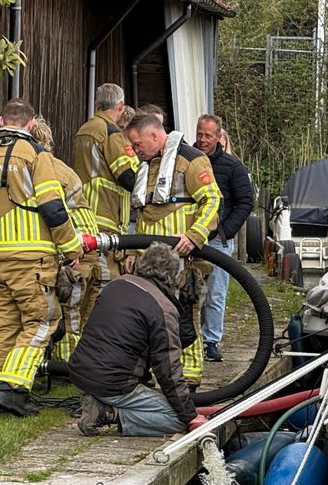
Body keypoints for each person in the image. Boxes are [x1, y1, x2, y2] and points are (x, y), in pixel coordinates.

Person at [0, 99, 82, 416]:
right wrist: (72, 248)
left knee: (5, 327)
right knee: (42, 323)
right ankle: (14, 390)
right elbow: (53, 208)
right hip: (34, 260)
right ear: (30, 124)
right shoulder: (36, 155)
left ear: (2, 119)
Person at [124, 113, 220, 388]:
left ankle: (188, 381)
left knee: (184, 320)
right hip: (149, 263)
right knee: (149, 319)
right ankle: (150, 375)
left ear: (155, 136)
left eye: (138, 143)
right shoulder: (146, 165)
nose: (135, 150)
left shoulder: (190, 160)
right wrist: (130, 252)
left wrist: (195, 235)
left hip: (183, 262)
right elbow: (143, 214)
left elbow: (212, 200)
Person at [71, 242, 203, 436]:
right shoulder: (163, 308)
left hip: (80, 371)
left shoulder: (116, 284)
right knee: (177, 420)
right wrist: (190, 416)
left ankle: (102, 402)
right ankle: (108, 413)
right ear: (172, 276)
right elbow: (168, 369)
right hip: (114, 384)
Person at [71, 84, 139, 327]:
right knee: (103, 285)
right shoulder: (112, 134)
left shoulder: (84, 130)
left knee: (82, 286)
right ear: (120, 107)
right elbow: (129, 177)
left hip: (82, 217)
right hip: (105, 218)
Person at [32, 117, 98, 360]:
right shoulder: (61, 169)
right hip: (80, 248)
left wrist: (69, 254)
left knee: (68, 317)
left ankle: (66, 368)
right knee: (68, 315)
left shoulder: (46, 170)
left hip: (76, 252)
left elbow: (55, 216)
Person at [194, 114, 253, 362]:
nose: (203, 139)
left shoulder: (232, 167)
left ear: (219, 137)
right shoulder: (189, 160)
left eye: (208, 135)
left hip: (217, 240)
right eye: (199, 134)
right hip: (192, 236)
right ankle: (188, 340)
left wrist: (226, 230)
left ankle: (211, 341)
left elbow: (245, 201)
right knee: (189, 291)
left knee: (216, 293)